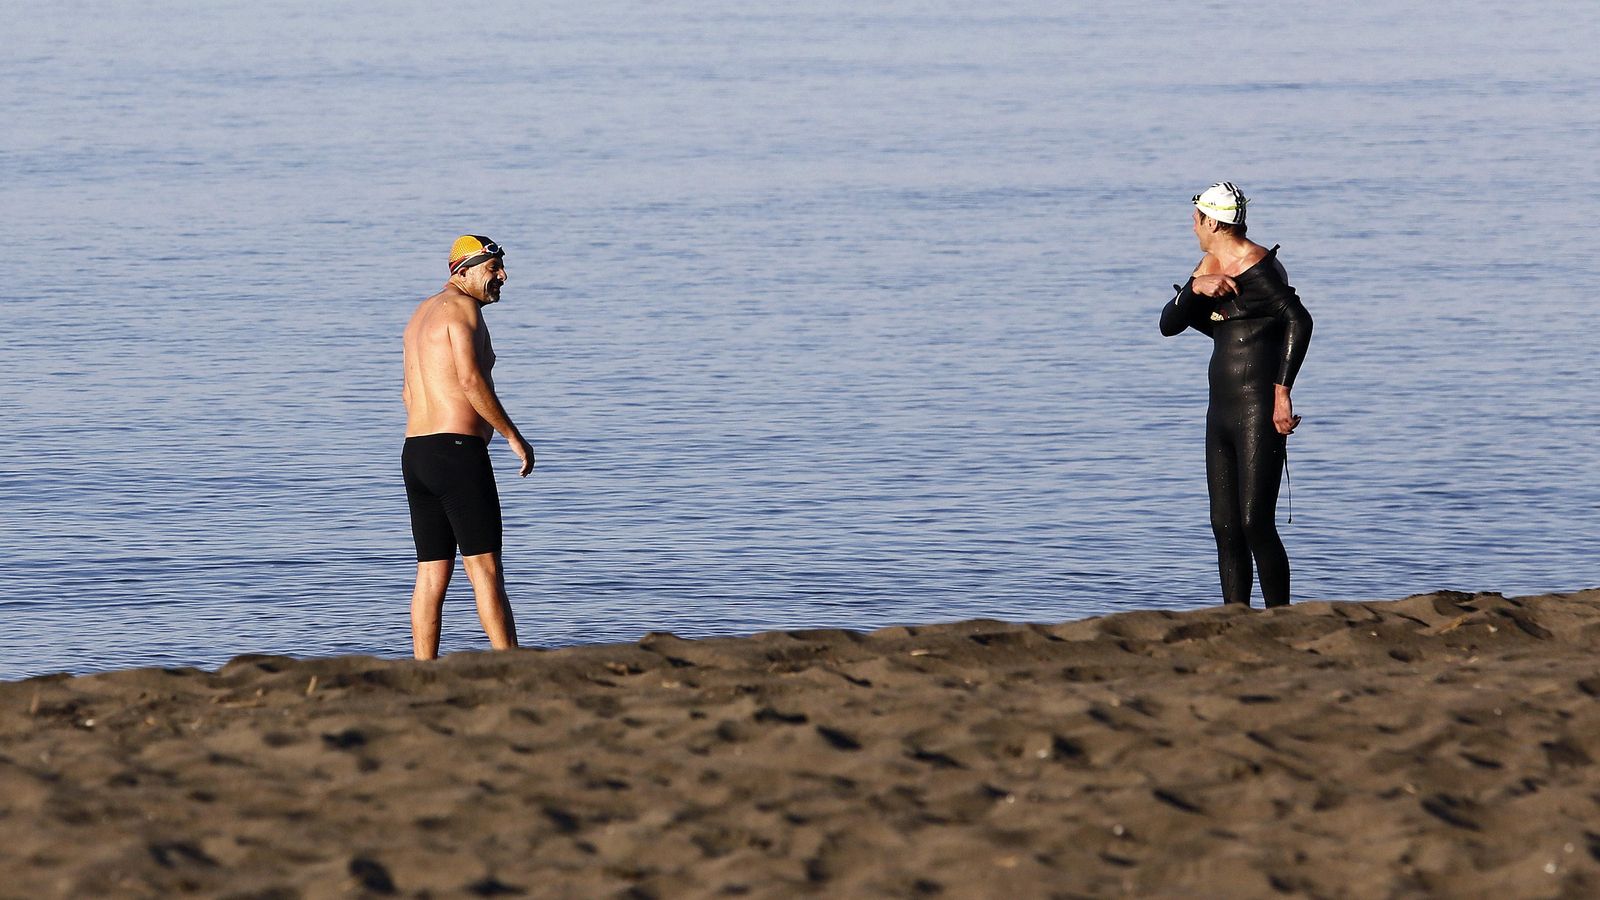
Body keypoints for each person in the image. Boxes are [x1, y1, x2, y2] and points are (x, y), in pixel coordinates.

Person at [1160, 184, 1312, 608]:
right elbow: (1168, 323)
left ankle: (1280, 615)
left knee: (1254, 523)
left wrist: (1282, 395)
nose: (1192, 225)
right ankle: (1234, 618)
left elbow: (1300, 321)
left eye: (1196, 218)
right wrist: (1196, 290)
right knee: (1224, 526)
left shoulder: (1259, 267)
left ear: (1212, 221)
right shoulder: (1209, 265)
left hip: (1257, 408)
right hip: (1222, 411)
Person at [401, 235, 535, 659]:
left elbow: (407, 394)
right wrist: (513, 435)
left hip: (417, 453)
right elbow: (470, 381)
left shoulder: (419, 315)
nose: (502, 276)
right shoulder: (464, 312)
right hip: (457, 453)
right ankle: (510, 664)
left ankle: (423, 669)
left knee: (431, 572)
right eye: (492, 268)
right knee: (485, 568)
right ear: (463, 271)